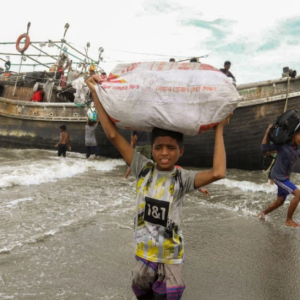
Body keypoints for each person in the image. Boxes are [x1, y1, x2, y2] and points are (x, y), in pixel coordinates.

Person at [85, 74, 230, 299]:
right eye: (159, 147)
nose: (164, 153)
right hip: (144, 254)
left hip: (171, 258)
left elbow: (218, 172)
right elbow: (113, 134)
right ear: (151, 149)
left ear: (180, 151)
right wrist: (96, 93)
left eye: (171, 148)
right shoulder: (142, 168)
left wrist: (219, 129)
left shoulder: (183, 178)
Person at [258, 125, 300, 227]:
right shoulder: (283, 145)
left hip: (285, 177)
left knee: (280, 201)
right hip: (278, 176)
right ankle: (288, 220)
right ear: (294, 135)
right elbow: (264, 148)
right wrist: (267, 132)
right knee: (298, 194)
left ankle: (262, 214)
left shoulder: (298, 149)